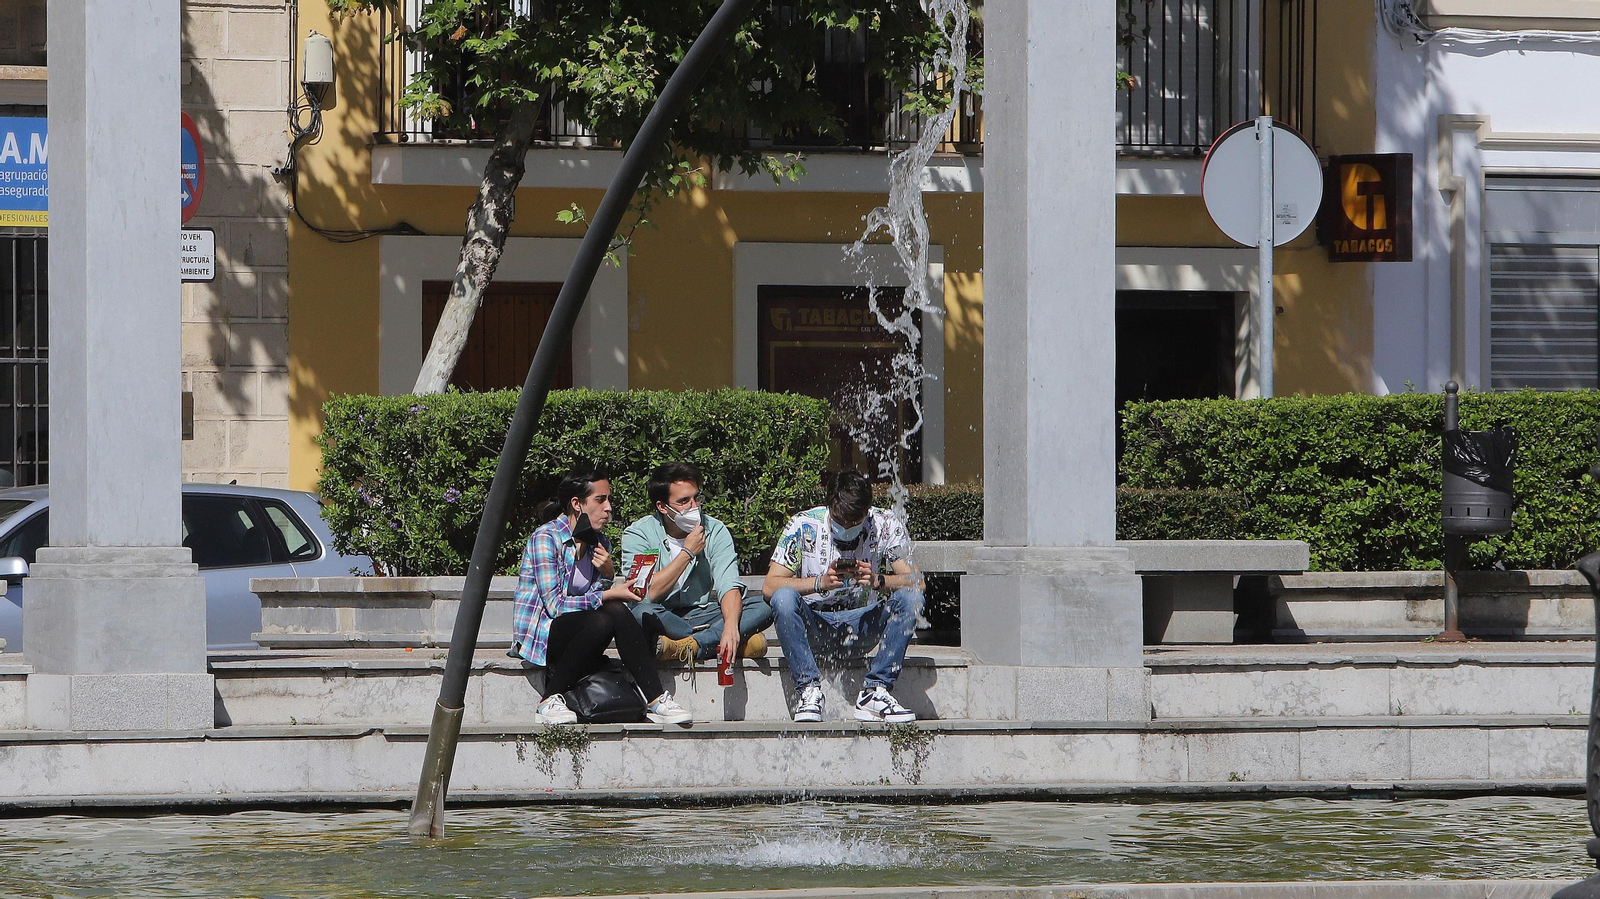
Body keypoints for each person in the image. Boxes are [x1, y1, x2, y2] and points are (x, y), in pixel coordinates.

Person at [511, 470, 692, 726]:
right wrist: (609, 591)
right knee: (605, 616)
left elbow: (597, 598)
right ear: (577, 504)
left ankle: (656, 699)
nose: (608, 508)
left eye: (609, 500)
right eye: (600, 500)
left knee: (615, 611)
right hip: (542, 633)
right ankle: (549, 699)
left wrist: (608, 574)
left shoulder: (599, 542)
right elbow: (555, 605)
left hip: (582, 630)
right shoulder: (546, 538)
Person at [764, 469, 922, 723]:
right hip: (815, 623)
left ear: (867, 512)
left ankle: (875, 691)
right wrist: (820, 583)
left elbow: (917, 582)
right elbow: (769, 586)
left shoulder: (884, 522)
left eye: (855, 521)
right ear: (830, 506)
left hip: (863, 625)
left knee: (911, 598)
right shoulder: (803, 524)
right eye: (841, 519)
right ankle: (808, 689)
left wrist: (878, 580)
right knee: (783, 597)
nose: (847, 527)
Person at [620, 462, 774, 664]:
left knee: (765, 606)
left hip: (703, 614)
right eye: (684, 501)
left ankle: (688, 646)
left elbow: (728, 585)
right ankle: (718, 642)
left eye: (696, 498)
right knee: (641, 614)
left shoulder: (715, 529)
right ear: (662, 507)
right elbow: (646, 596)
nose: (693, 506)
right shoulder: (638, 534)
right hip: (663, 615)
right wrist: (687, 553)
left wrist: (729, 625)